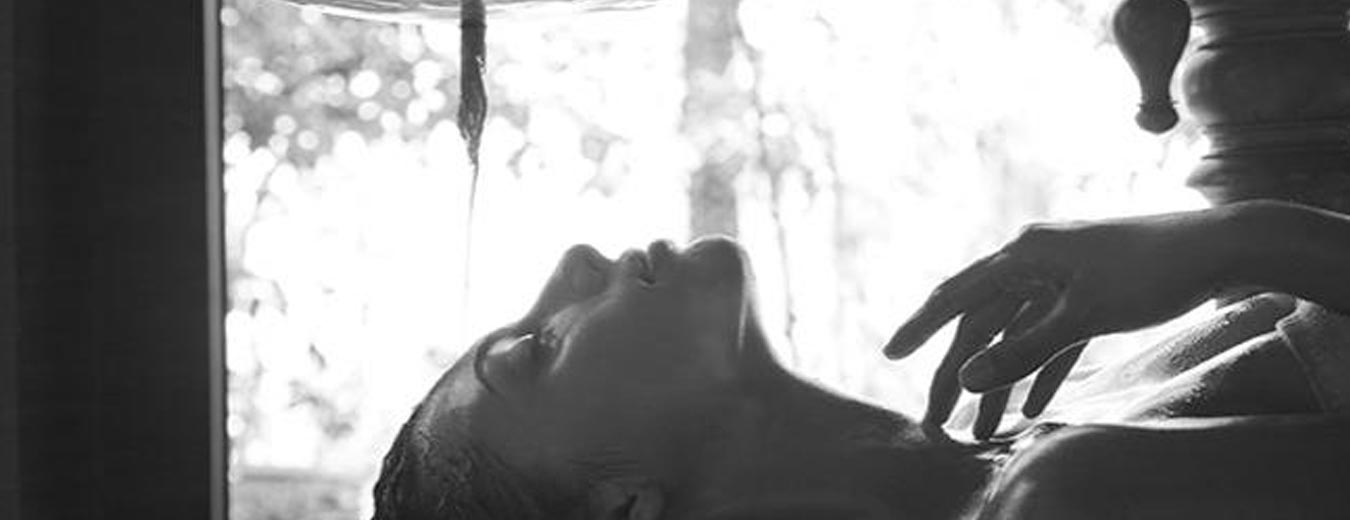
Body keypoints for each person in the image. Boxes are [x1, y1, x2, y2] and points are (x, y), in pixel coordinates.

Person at [372, 201, 1350, 520]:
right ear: (627, 507)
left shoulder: (1059, 415)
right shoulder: (1063, 499)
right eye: (536, 349)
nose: (574, 263)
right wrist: (1240, 238)